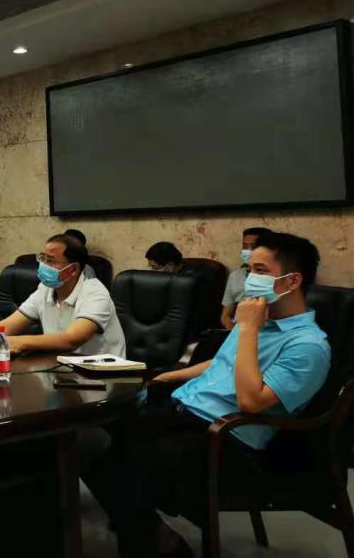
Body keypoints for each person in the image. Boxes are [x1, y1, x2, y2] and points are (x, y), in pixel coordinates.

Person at [83, 231, 330, 558]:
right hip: (181, 411)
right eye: (250, 270)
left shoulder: (307, 346)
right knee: (85, 438)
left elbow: (252, 401)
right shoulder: (259, 321)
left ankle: (157, 543)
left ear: (292, 281)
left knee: (125, 468)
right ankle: (153, 533)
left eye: (260, 271)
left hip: (225, 438)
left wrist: (248, 329)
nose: (249, 280)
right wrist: (163, 377)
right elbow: (222, 362)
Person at [0, 233, 125, 358]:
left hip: (104, 379)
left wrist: (20, 342)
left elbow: (72, 339)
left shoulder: (95, 292)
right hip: (62, 372)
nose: (43, 265)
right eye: (43, 258)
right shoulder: (45, 289)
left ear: (73, 269)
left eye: (51, 261)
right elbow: (6, 327)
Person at [221, 227, 272, 329]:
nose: (248, 251)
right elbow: (226, 315)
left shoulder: (273, 278)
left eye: (253, 247)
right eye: (245, 246)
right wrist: (231, 329)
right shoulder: (235, 276)